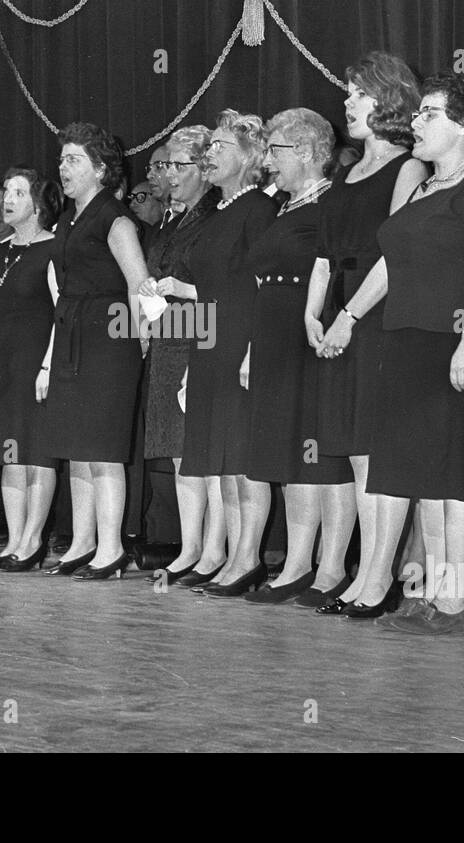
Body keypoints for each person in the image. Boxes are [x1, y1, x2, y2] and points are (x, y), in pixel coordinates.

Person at [323, 72, 464, 633]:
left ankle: (455, 604)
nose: (417, 122)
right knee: (427, 480)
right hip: (406, 343)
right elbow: (390, 262)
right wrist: (350, 316)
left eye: (431, 114)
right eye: (419, 111)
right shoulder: (427, 186)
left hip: (452, 344)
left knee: (455, 479)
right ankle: (435, 595)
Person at [211, 108, 354, 599]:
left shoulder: (335, 203)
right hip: (271, 333)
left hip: (308, 334)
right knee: (288, 455)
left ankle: (330, 567)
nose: (268, 161)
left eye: (277, 150)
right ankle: (296, 562)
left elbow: (335, 269)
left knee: (319, 455)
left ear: (311, 153)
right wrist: (251, 350)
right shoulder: (283, 207)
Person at [303, 51, 423, 609]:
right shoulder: (346, 174)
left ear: (388, 99)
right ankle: (364, 574)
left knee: (376, 454)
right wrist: (314, 313)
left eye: (357, 94)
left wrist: (350, 316)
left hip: (376, 316)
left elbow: (396, 254)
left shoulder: (410, 168)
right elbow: (324, 255)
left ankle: (379, 579)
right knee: (353, 454)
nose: (347, 103)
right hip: (338, 316)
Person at [174, 110, 279, 590]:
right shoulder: (220, 211)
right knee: (220, 462)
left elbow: (262, 287)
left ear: (250, 156)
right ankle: (232, 557)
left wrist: (254, 349)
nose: (207, 154)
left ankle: (247, 559)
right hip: (211, 342)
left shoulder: (258, 208)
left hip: (240, 344)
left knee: (241, 461)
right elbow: (214, 289)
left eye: (218, 146)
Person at [42, 121, 149, 580]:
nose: (63, 168)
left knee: (103, 451)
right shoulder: (67, 218)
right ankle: (82, 543)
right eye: (62, 158)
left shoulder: (115, 217)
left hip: (108, 343)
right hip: (72, 337)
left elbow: (139, 284)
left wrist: (140, 341)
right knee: (77, 449)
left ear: (100, 169)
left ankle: (111, 550)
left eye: (74, 160)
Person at [0, 167, 61, 570]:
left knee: (35, 455)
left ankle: (32, 540)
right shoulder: (2, 251)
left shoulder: (54, 249)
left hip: (33, 367)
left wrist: (47, 366)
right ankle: (13, 540)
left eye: (18, 193)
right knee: (9, 456)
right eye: (6, 192)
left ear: (37, 205)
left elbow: (64, 312)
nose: (7, 200)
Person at [139, 127, 219, 582]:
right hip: (169, 336)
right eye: (165, 165)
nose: (168, 175)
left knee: (198, 450)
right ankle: (190, 547)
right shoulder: (171, 218)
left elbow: (210, 283)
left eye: (178, 165)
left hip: (198, 337)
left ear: (203, 169)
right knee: (175, 451)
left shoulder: (212, 215)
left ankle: (210, 549)